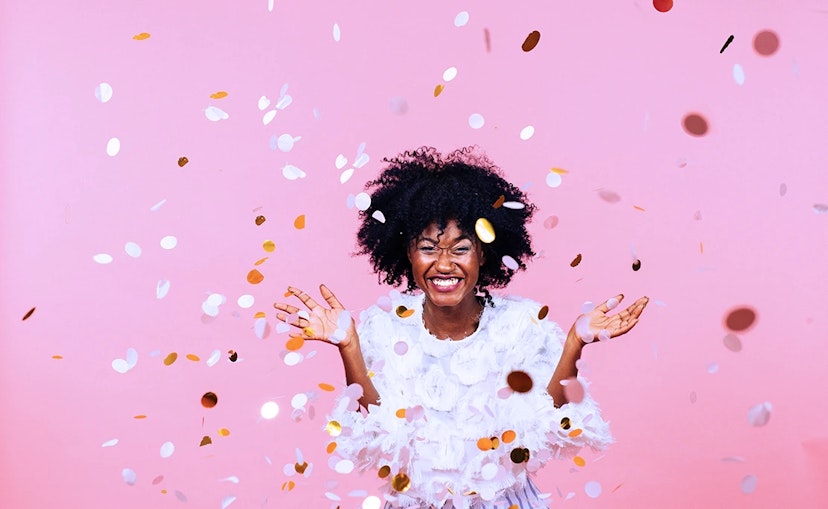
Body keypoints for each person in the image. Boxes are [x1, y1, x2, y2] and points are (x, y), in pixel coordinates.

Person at [273, 147, 649, 509]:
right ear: (407, 253)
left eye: (460, 248)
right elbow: (379, 436)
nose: (444, 263)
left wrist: (574, 344)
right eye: (428, 247)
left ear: (483, 253)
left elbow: (542, 424)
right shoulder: (383, 326)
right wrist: (349, 347)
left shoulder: (521, 324)